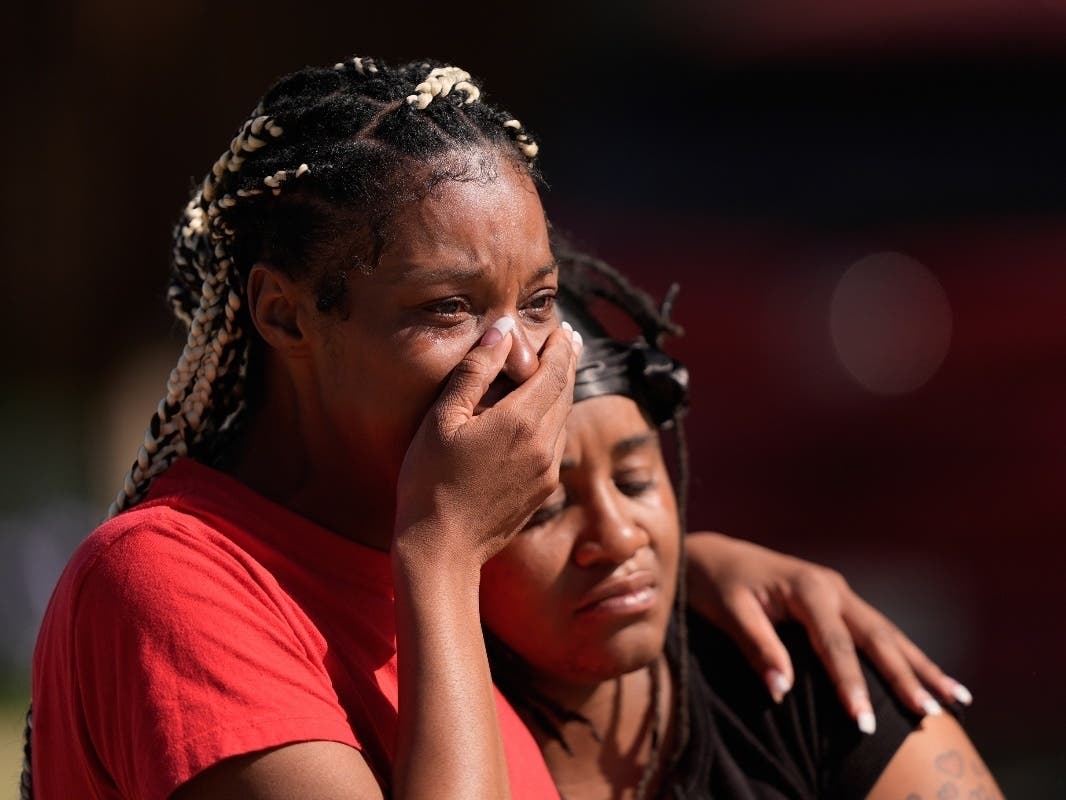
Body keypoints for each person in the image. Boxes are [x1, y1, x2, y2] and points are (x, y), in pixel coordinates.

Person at [25, 56, 971, 800]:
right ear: (284, 316)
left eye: (541, 300)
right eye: (448, 309)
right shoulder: (171, 583)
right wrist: (442, 555)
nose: (520, 359)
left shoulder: (451, 557)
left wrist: (684, 569)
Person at [478, 248, 1003, 799]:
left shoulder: (799, 681)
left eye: (634, 481)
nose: (619, 536)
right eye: (546, 509)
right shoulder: (403, 735)